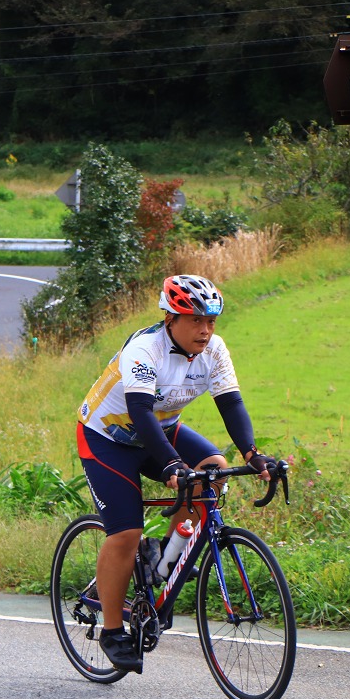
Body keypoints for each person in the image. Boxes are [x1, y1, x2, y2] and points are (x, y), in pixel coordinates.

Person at [76, 274, 274, 673]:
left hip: (162, 431)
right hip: (108, 440)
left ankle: (160, 557)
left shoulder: (213, 350)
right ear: (171, 318)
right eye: (196, 320)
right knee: (126, 531)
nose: (205, 330)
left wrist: (253, 454)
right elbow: (141, 414)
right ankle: (113, 630)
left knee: (215, 470)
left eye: (212, 321)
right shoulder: (144, 350)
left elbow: (231, 403)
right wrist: (170, 465)